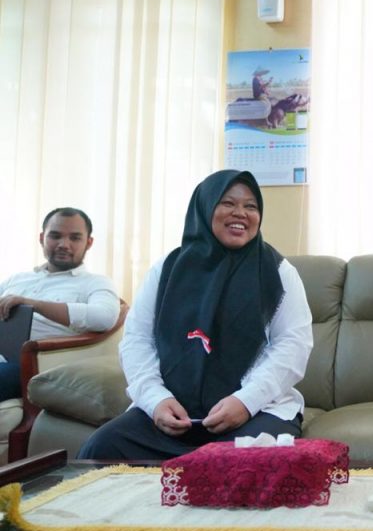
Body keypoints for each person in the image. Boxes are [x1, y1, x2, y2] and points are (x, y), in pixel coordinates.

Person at [78, 170, 314, 460]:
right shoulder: (167, 269)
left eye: (251, 206)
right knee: (101, 449)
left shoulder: (278, 272)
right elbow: (137, 339)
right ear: (204, 207)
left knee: (245, 462)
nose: (241, 213)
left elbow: (293, 345)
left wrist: (246, 401)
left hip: (257, 410)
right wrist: (156, 399)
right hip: (173, 413)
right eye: (228, 203)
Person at [0, 208, 120, 401]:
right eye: (55, 236)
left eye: (75, 238)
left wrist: (34, 304)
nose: (64, 245)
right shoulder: (18, 279)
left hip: (32, 365)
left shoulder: (96, 282)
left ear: (89, 243)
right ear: (42, 238)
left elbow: (104, 317)